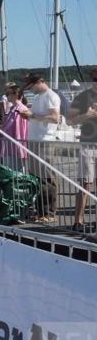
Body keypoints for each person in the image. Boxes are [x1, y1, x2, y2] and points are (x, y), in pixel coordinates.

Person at [21, 73, 61, 222]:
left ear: (39, 82)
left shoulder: (51, 96)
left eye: (31, 86)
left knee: (47, 178)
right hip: (35, 140)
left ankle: (49, 213)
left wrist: (32, 116)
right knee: (36, 178)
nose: (30, 89)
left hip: (45, 140)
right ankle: (40, 211)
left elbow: (55, 117)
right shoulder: (38, 98)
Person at [68, 69, 97, 233]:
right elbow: (70, 120)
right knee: (85, 184)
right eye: (95, 78)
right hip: (88, 144)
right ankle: (78, 221)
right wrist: (87, 115)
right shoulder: (83, 97)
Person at [0, 84, 30, 172]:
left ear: (15, 94)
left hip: (16, 145)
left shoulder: (21, 109)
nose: (6, 95)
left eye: (8, 93)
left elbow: (21, 129)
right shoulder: (13, 108)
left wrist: (20, 147)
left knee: (18, 169)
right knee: (9, 169)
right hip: (9, 145)